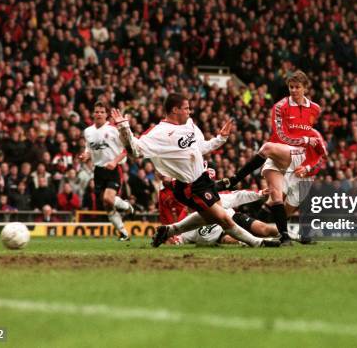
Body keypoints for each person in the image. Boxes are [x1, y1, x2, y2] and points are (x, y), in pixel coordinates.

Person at [111, 92, 280, 248]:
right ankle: (258, 243)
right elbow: (134, 151)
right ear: (175, 110)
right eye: (186, 108)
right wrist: (124, 128)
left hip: (203, 179)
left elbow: (201, 148)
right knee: (223, 218)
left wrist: (221, 139)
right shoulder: (159, 133)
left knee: (210, 217)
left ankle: (170, 231)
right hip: (189, 186)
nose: (189, 112)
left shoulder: (189, 124)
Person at [217, 70, 324, 244]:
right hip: (279, 151)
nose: (294, 90)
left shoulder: (315, 109)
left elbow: (314, 135)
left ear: (305, 88)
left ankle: (281, 232)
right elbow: (281, 135)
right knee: (275, 194)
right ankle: (285, 237)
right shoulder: (280, 106)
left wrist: (310, 155)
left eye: (297, 87)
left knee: (288, 206)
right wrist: (304, 139)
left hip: (299, 156)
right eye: (291, 87)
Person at [81, 101, 134, 241]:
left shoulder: (113, 129)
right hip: (98, 171)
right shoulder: (88, 131)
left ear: (107, 114)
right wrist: (86, 154)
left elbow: (126, 149)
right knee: (107, 205)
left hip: (114, 169)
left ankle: (128, 207)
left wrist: (114, 162)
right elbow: (89, 148)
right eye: (96, 111)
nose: (98, 114)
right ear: (93, 113)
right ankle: (123, 233)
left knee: (107, 198)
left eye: (102, 112)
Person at [173, 189, 279, 246]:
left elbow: (238, 195)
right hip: (221, 234)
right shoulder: (189, 220)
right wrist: (174, 239)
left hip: (233, 218)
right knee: (227, 239)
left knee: (263, 229)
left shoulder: (216, 198)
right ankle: (260, 242)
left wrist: (259, 193)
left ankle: (287, 235)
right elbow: (181, 237)